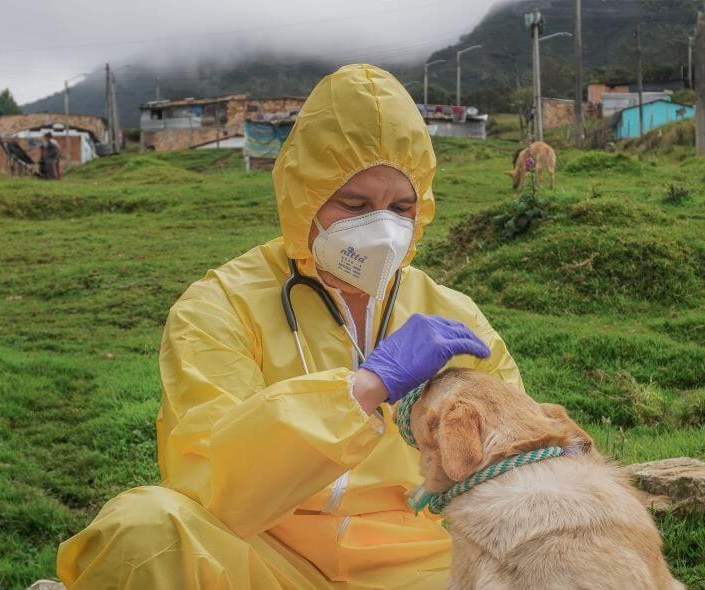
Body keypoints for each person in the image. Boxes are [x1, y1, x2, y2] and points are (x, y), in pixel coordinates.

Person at [55, 64, 523, 589]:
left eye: (402, 207)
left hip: (422, 563)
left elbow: (515, 464)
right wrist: (362, 389)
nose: (384, 229)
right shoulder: (220, 306)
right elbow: (214, 480)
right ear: (305, 196)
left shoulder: (451, 317)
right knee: (142, 529)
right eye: (355, 204)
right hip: (270, 556)